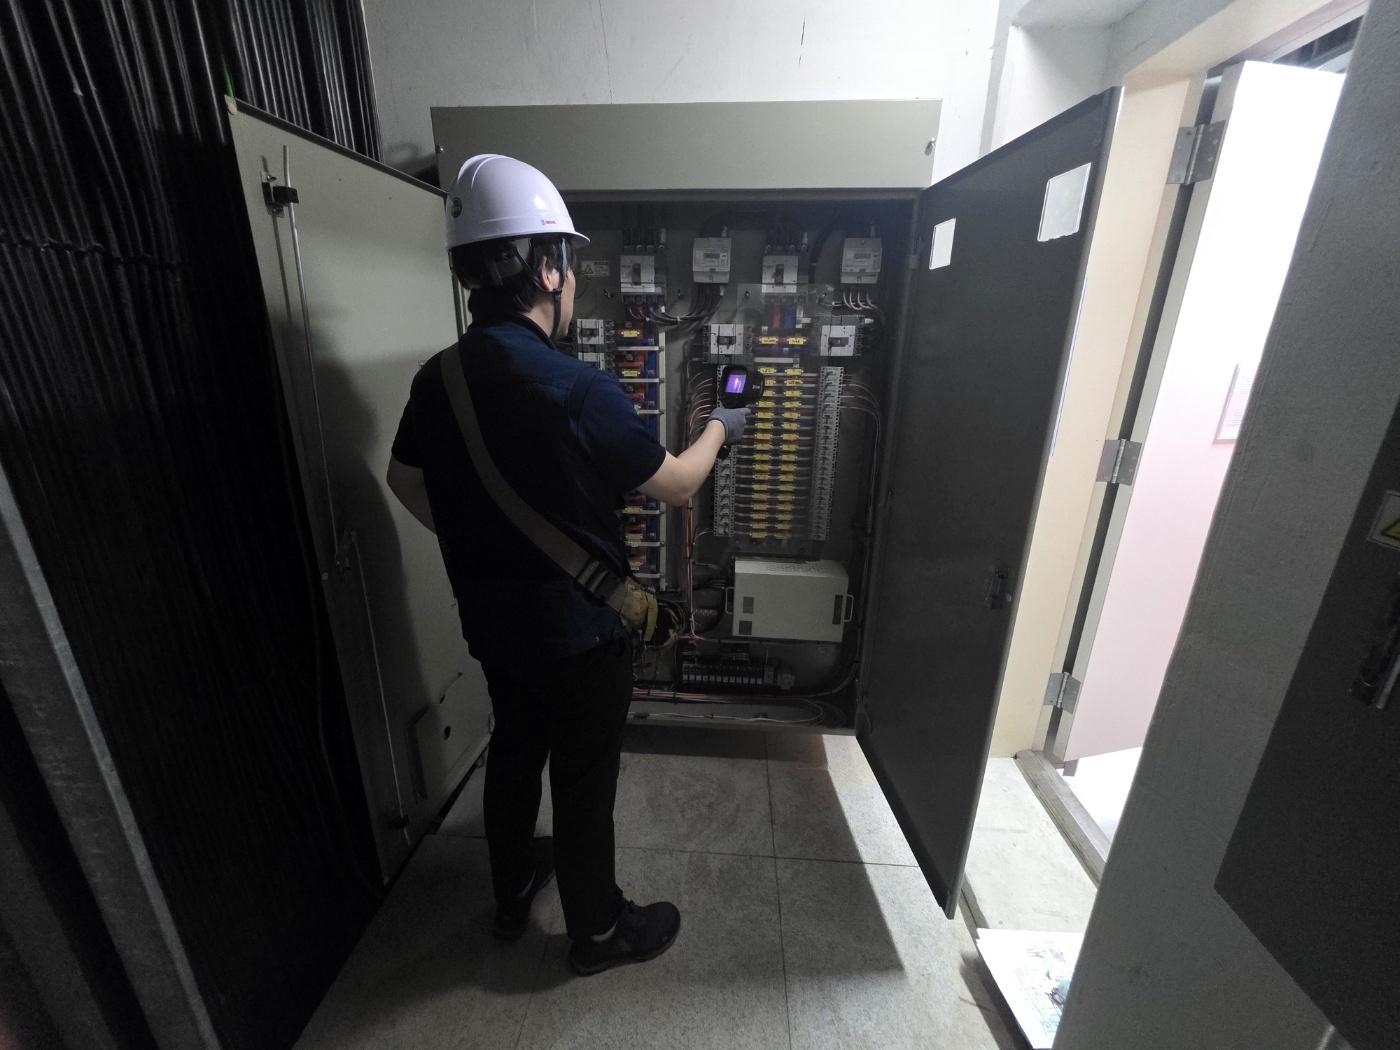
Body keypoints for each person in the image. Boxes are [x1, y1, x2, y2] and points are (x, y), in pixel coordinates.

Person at [386, 154, 748, 976]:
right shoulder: (576, 388)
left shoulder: (438, 379)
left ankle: (512, 892)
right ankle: (598, 929)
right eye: (568, 263)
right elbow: (678, 485)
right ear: (546, 268)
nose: (573, 280)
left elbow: (403, 481)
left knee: (514, 750)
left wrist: (477, 543)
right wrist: (722, 424)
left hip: (491, 620)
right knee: (583, 781)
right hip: (581, 634)